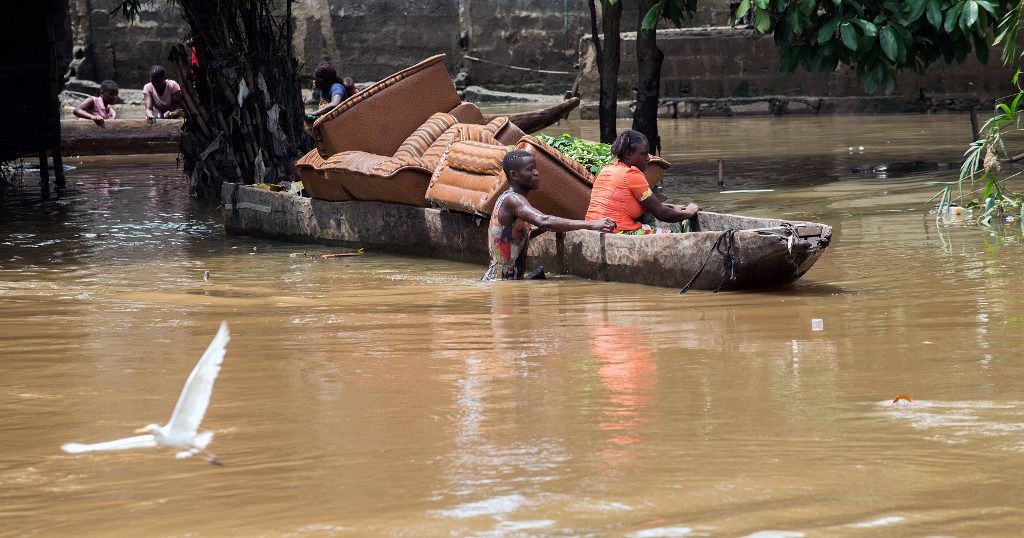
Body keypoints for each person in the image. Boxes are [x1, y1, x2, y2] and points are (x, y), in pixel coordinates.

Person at [484, 150, 616, 281]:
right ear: (514, 175)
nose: (536, 173)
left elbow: (521, 235)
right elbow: (544, 221)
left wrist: (561, 225)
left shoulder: (511, 199)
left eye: (535, 168)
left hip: (507, 282)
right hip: (501, 283)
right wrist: (591, 224)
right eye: (530, 170)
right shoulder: (513, 200)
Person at [586, 130, 700, 234]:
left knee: (646, 225)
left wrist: (670, 206)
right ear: (628, 155)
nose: (648, 158)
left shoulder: (606, 169)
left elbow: (628, 202)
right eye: (644, 154)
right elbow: (662, 214)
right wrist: (689, 212)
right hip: (617, 232)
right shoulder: (632, 174)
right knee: (674, 234)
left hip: (592, 230)